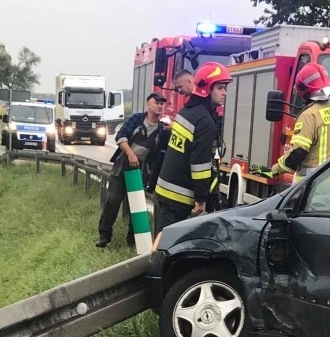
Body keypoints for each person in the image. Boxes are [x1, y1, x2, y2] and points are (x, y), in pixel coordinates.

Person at [152, 62, 230, 234]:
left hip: (167, 190)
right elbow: (199, 164)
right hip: (179, 196)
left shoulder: (186, 112)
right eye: (220, 88)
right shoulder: (204, 121)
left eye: (225, 88)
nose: (224, 92)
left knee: (162, 240)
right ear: (207, 89)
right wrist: (200, 200)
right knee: (170, 245)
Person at [97, 92, 167, 248]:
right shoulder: (136, 119)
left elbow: (160, 154)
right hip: (123, 165)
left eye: (162, 103)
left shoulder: (162, 129)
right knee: (113, 200)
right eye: (157, 103)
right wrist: (130, 154)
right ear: (148, 104)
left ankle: (133, 241)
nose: (160, 106)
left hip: (142, 170)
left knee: (137, 204)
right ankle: (104, 236)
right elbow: (120, 137)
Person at [270, 63, 330, 182]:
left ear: (304, 90)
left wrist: (272, 171)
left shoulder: (309, 115)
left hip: (314, 184)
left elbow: (297, 153)